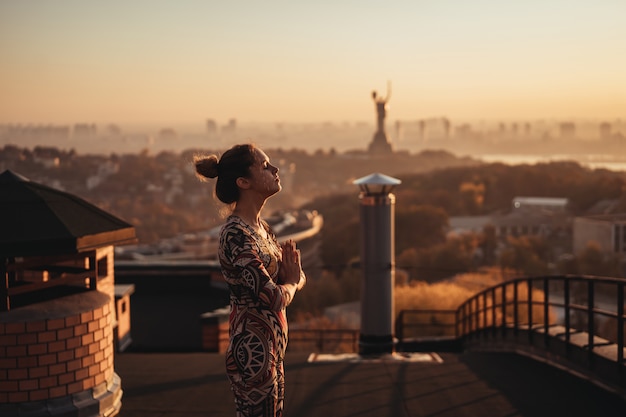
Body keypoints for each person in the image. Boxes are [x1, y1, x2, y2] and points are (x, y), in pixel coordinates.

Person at [195, 144, 306, 417]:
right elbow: (273, 296)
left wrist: (292, 280)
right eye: (265, 166)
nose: (275, 169)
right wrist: (291, 283)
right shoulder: (235, 234)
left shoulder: (263, 229)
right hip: (252, 353)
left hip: (272, 350)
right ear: (243, 182)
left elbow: (294, 276)